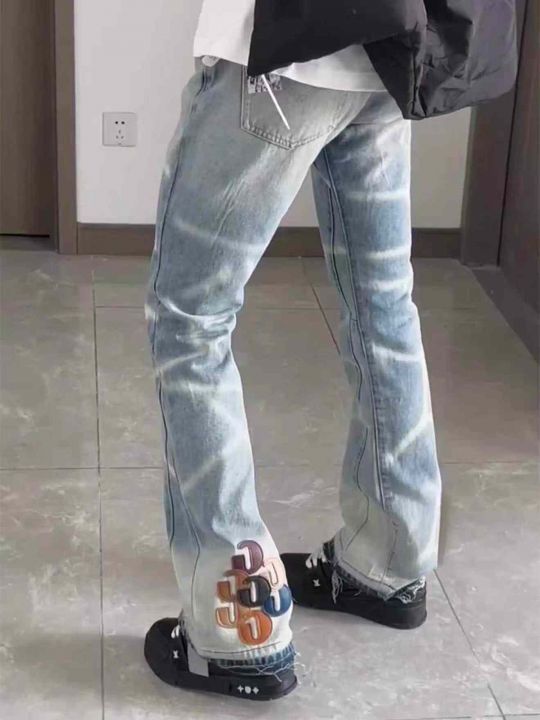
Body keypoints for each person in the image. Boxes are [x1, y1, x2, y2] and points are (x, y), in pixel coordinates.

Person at [142, 0, 512, 702]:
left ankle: (240, 630)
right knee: (382, 305)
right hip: (385, 55)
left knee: (190, 319)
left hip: (281, 56)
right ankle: (389, 562)